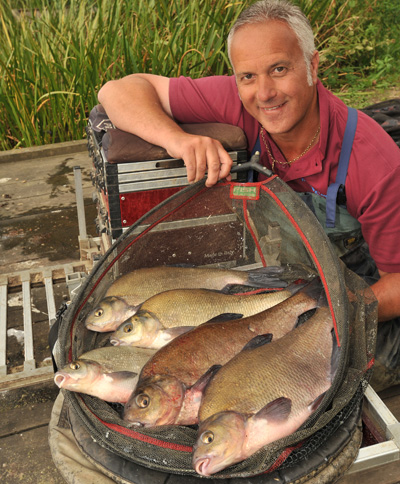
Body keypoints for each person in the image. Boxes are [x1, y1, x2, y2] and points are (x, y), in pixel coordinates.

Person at [98, 0, 400, 389]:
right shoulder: (242, 101)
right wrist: (178, 140)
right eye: (248, 76)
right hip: (294, 275)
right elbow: (119, 90)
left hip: (363, 286)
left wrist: (325, 316)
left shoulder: (372, 160)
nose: (265, 93)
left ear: (313, 65)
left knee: (311, 379)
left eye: (279, 69)